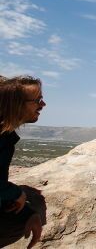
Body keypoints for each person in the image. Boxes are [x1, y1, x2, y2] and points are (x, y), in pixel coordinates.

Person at [1, 75, 46, 248]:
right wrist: (15, 193)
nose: (43, 105)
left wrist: (26, 214)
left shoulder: (6, 137)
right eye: (37, 100)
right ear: (15, 104)